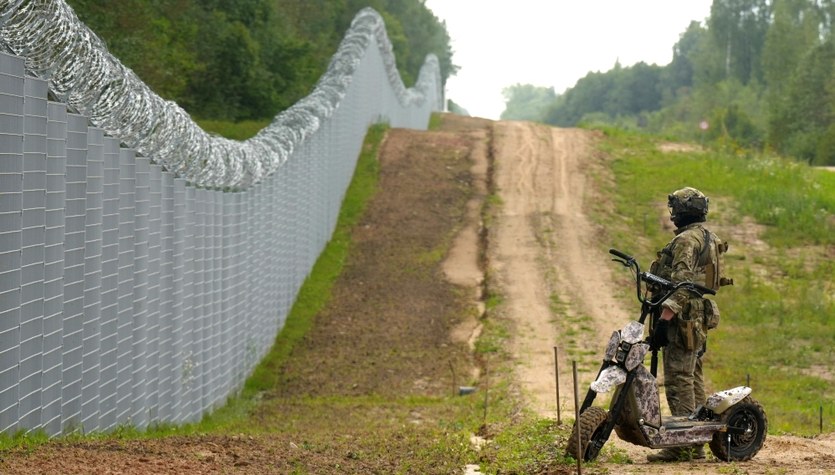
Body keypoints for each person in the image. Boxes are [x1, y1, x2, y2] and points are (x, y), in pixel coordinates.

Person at [646, 187, 730, 463]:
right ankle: (695, 442)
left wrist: (664, 319)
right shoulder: (708, 236)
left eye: (675, 209)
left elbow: (681, 284)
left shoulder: (686, 240)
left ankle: (684, 445)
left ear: (682, 211)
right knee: (693, 377)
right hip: (696, 316)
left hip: (682, 317)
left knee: (679, 379)